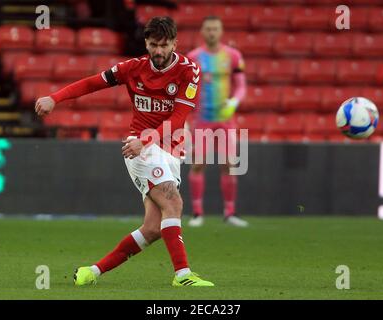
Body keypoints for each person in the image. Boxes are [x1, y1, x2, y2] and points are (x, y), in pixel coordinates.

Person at [35, 16, 214, 287]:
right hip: (139, 148)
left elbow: (178, 119)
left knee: (153, 228)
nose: (159, 51)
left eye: (164, 45)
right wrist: (55, 98)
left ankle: (92, 272)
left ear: (175, 43)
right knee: (174, 203)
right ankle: (183, 275)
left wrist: (150, 139)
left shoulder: (189, 70)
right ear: (146, 42)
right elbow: (93, 83)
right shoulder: (133, 68)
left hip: (170, 149)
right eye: (153, 44)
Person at [186, 16, 248, 228]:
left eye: (215, 29)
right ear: (202, 32)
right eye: (208, 29)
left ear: (221, 32)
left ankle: (230, 212)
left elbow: (241, 86)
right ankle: (197, 213)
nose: (212, 32)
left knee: (229, 165)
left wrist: (234, 101)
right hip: (202, 119)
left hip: (225, 119)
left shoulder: (232, 56)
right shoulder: (193, 57)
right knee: (198, 164)